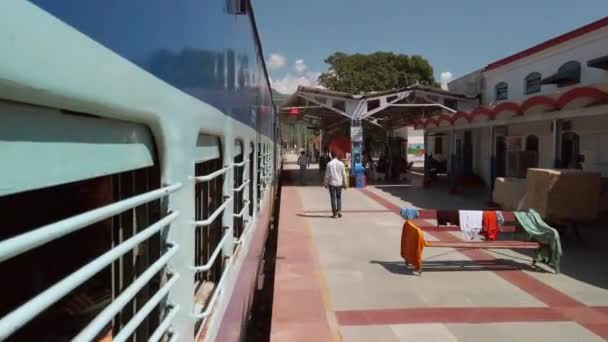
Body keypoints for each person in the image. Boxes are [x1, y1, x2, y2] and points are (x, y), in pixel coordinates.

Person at [324, 153, 347, 218]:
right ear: (336, 156)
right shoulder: (341, 164)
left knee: (333, 198)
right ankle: (339, 210)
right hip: (339, 183)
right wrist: (345, 183)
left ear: (331, 156)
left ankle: (334, 213)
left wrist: (325, 183)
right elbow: (344, 174)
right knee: (339, 197)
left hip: (332, 183)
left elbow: (327, 175)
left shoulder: (329, 164)